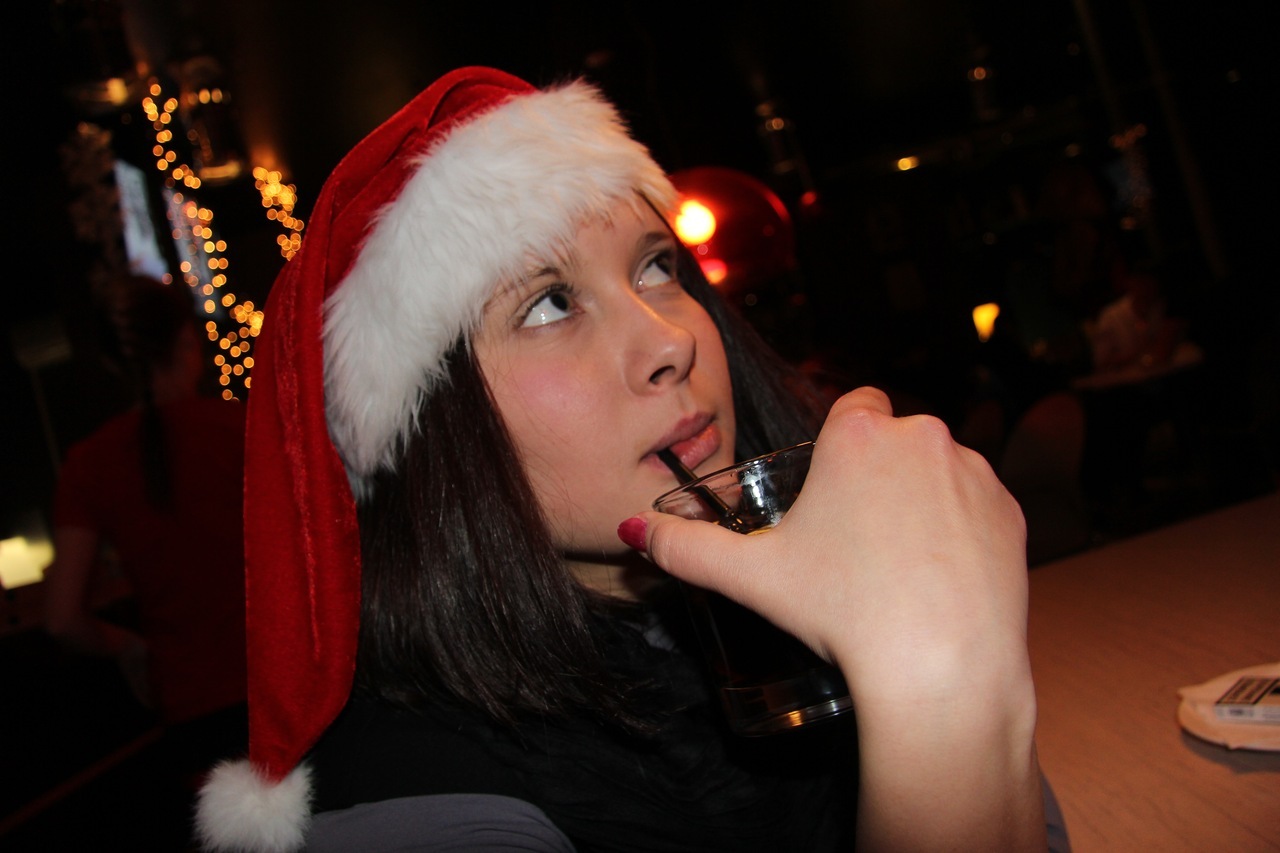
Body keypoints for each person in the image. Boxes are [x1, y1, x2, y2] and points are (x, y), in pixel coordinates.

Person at [195, 67, 1066, 851]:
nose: (671, 340)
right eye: (547, 304)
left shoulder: (788, 595)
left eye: (655, 268)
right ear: (428, 434)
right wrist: (942, 692)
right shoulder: (415, 800)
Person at [42, 273, 250, 839]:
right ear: (186, 342)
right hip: (282, 689)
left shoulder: (89, 465)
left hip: (192, 713)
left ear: (115, 364)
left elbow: (61, 619)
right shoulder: (240, 428)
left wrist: (128, 646)